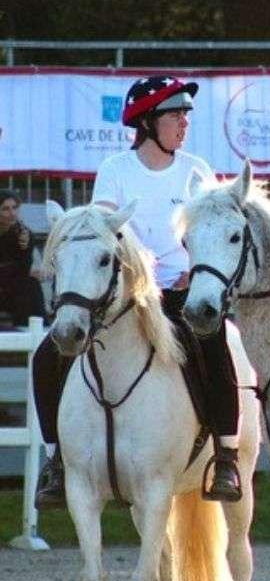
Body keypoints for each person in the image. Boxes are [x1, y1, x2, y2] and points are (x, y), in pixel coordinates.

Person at [32, 76, 246, 507]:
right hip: (131, 298)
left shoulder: (196, 170)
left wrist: (192, 271)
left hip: (182, 292)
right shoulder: (115, 170)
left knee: (215, 346)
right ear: (147, 122)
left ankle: (225, 456)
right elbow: (105, 228)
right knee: (46, 357)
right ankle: (56, 461)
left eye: (186, 115)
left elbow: (207, 229)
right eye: (175, 115)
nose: (184, 122)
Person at [0, 191, 44, 326]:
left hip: (10, 289)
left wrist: (24, 248)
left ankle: (36, 329)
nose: (12, 213)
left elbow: (23, 269)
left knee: (30, 284)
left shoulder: (24, 235)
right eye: (5, 209)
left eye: (14, 208)